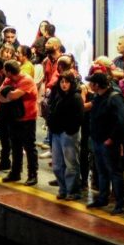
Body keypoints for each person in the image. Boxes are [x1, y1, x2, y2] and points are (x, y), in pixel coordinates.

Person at [86, 72, 124, 215]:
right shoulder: (98, 97)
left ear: (97, 85)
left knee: (115, 172)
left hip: (109, 143)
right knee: (102, 171)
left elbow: (120, 122)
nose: (89, 85)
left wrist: (112, 139)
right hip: (98, 141)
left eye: (91, 82)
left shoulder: (114, 98)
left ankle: (120, 204)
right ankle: (103, 198)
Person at [0, 59, 38, 184]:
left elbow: (13, 96)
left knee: (29, 147)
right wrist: (8, 94)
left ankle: (33, 175)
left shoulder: (26, 80)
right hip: (14, 118)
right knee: (15, 146)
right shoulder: (9, 80)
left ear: (9, 72)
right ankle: (15, 173)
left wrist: (7, 94)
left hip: (28, 118)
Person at [47, 71, 83, 199]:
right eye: (62, 82)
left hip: (68, 134)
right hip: (57, 132)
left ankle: (72, 191)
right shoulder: (57, 94)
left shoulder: (76, 97)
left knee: (71, 164)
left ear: (71, 83)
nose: (64, 84)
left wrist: (69, 130)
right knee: (57, 165)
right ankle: (63, 189)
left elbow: (79, 117)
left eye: (66, 82)